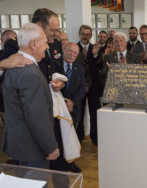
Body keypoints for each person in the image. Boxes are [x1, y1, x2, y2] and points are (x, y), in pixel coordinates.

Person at [1, 23, 59, 169]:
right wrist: (50, 146)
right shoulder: (30, 73)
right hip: (33, 147)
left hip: (19, 144)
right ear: (34, 44)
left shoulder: (11, 65)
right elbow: (36, 117)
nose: (47, 47)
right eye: (45, 42)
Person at [60, 42, 85, 173]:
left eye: (75, 53)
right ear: (63, 50)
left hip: (73, 109)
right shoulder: (55, 66)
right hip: (59, 109)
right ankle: (59, 163)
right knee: (59, 136)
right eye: (70, 51)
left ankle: (71, 162)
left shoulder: (79, 68)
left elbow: (82, 89)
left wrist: (72, 102)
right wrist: (64, 102)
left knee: (72, 137)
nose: (72, 54)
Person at [76, 25, 101, 145]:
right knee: (79, 114)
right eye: (83, 34)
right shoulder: (73, 48)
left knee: (94, 114)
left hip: (94, 87)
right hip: (78, 87)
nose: (85, 36)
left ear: (91, 36)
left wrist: (95, 55)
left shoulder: (95, 48)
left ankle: (95, 138)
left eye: (87, 34)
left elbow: (99, 65)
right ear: (79, 34)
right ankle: (78, 138)